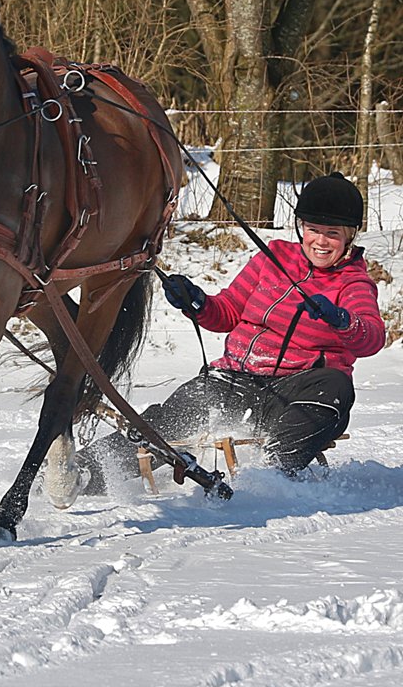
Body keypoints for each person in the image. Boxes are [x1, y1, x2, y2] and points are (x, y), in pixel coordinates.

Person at [78, 172, 386, 489]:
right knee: (177, 413)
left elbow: (372, 337)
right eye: (313, 230)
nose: (321, 241)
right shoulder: (273, 259)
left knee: (336, 387)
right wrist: (196, 302)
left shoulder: (352, 282)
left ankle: (268, 477)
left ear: (350, 236)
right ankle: (86, 471)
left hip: (300, 388)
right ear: (301, 228)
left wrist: (341, 319)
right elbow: (227, 312)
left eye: (332, 233)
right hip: (237, 379)